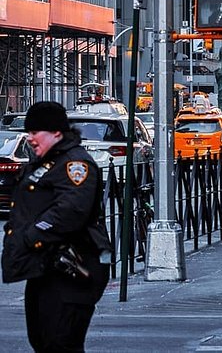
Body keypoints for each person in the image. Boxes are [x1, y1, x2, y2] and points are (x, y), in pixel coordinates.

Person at [2, 101, 112, 353]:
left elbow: (71, 210)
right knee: (42, 340)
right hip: (45, 268)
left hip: (72, 268)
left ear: (55, 132)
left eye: (35, 132)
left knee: (60, 343)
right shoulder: (45, 163)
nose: (30, 138)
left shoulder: (75, 164)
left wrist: (31, 237)